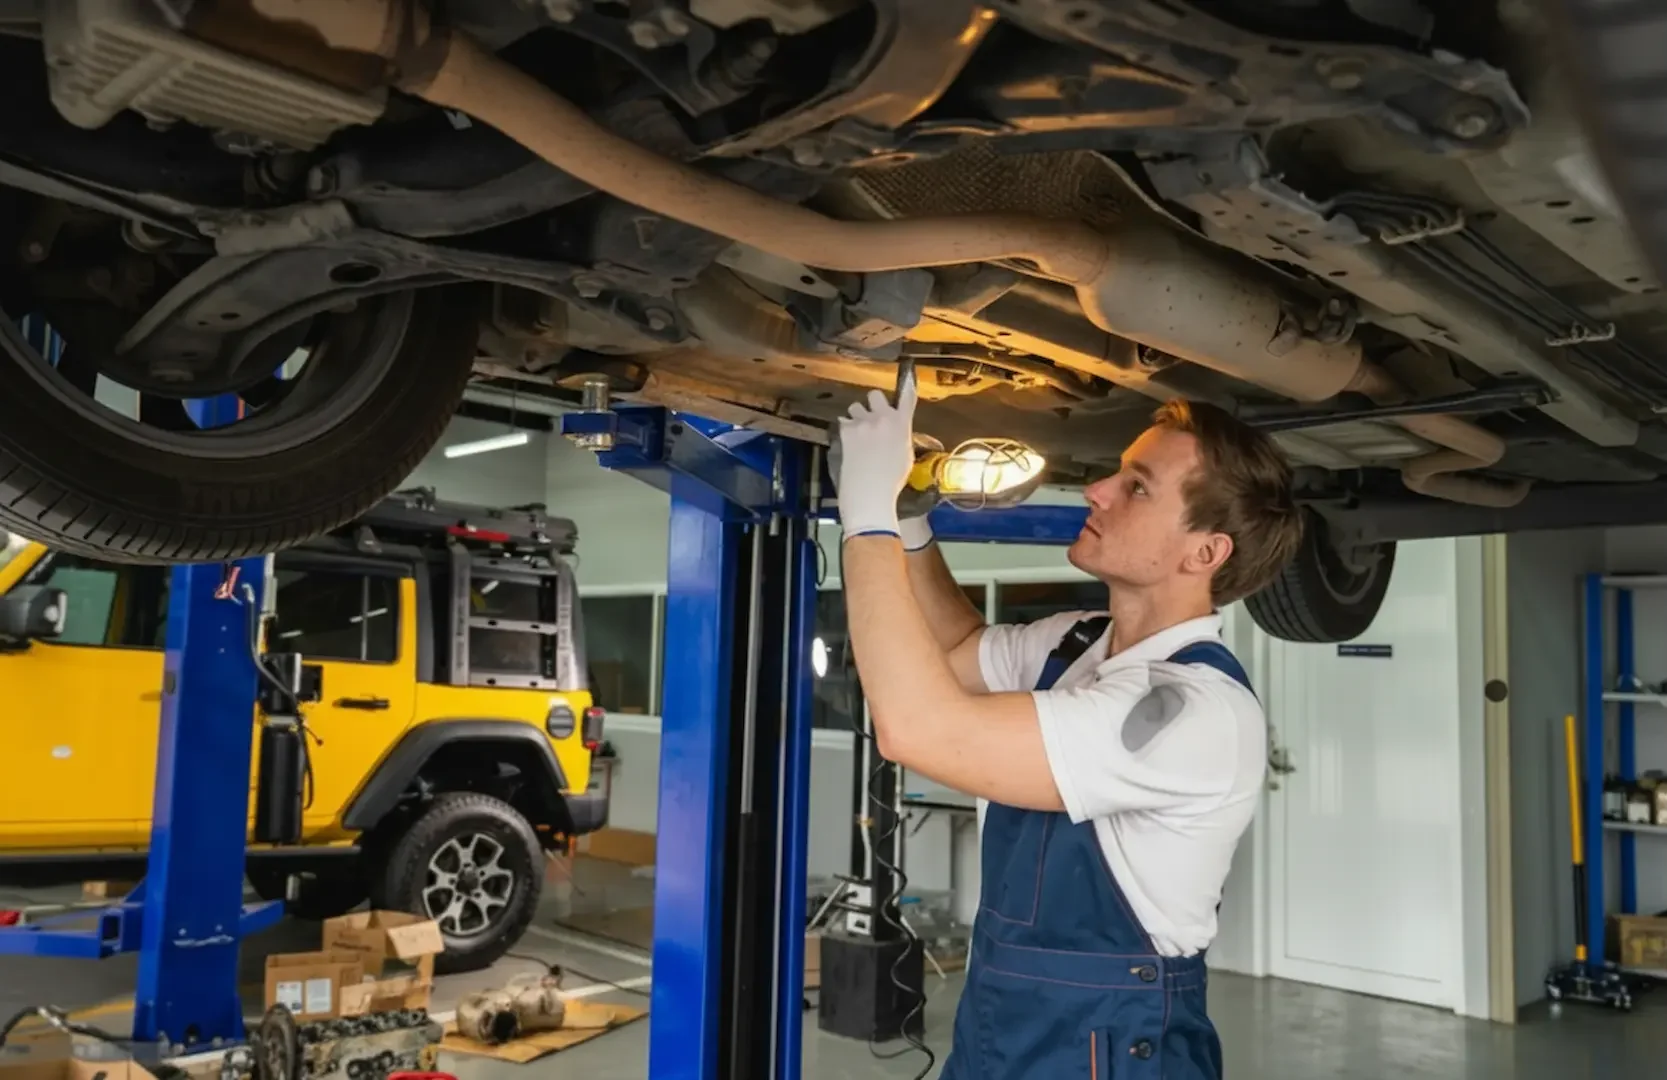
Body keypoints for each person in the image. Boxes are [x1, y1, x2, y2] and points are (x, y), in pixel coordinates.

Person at [834, 376, 1303, 1080]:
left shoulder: (1189, 711)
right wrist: (906, 521)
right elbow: (957, 658)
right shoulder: (1077, 646)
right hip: (1003, 1013)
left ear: (1203, 553)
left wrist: (863, 515)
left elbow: (919, 730)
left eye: (1137, 487)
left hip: (1106, 1044)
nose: (1096, 491)